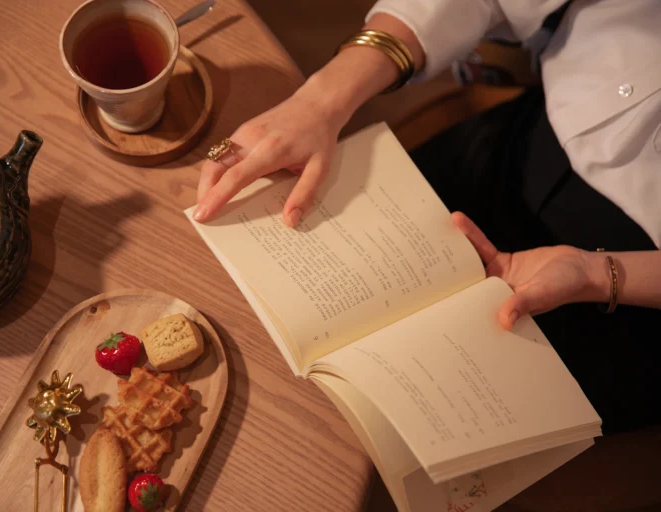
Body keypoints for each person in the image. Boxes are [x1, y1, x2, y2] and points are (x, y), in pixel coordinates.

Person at [194, 0, 661, 434]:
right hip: (526, 143)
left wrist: (598, 273)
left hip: (630, 299)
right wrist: (321, 99)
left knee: (368, 424)